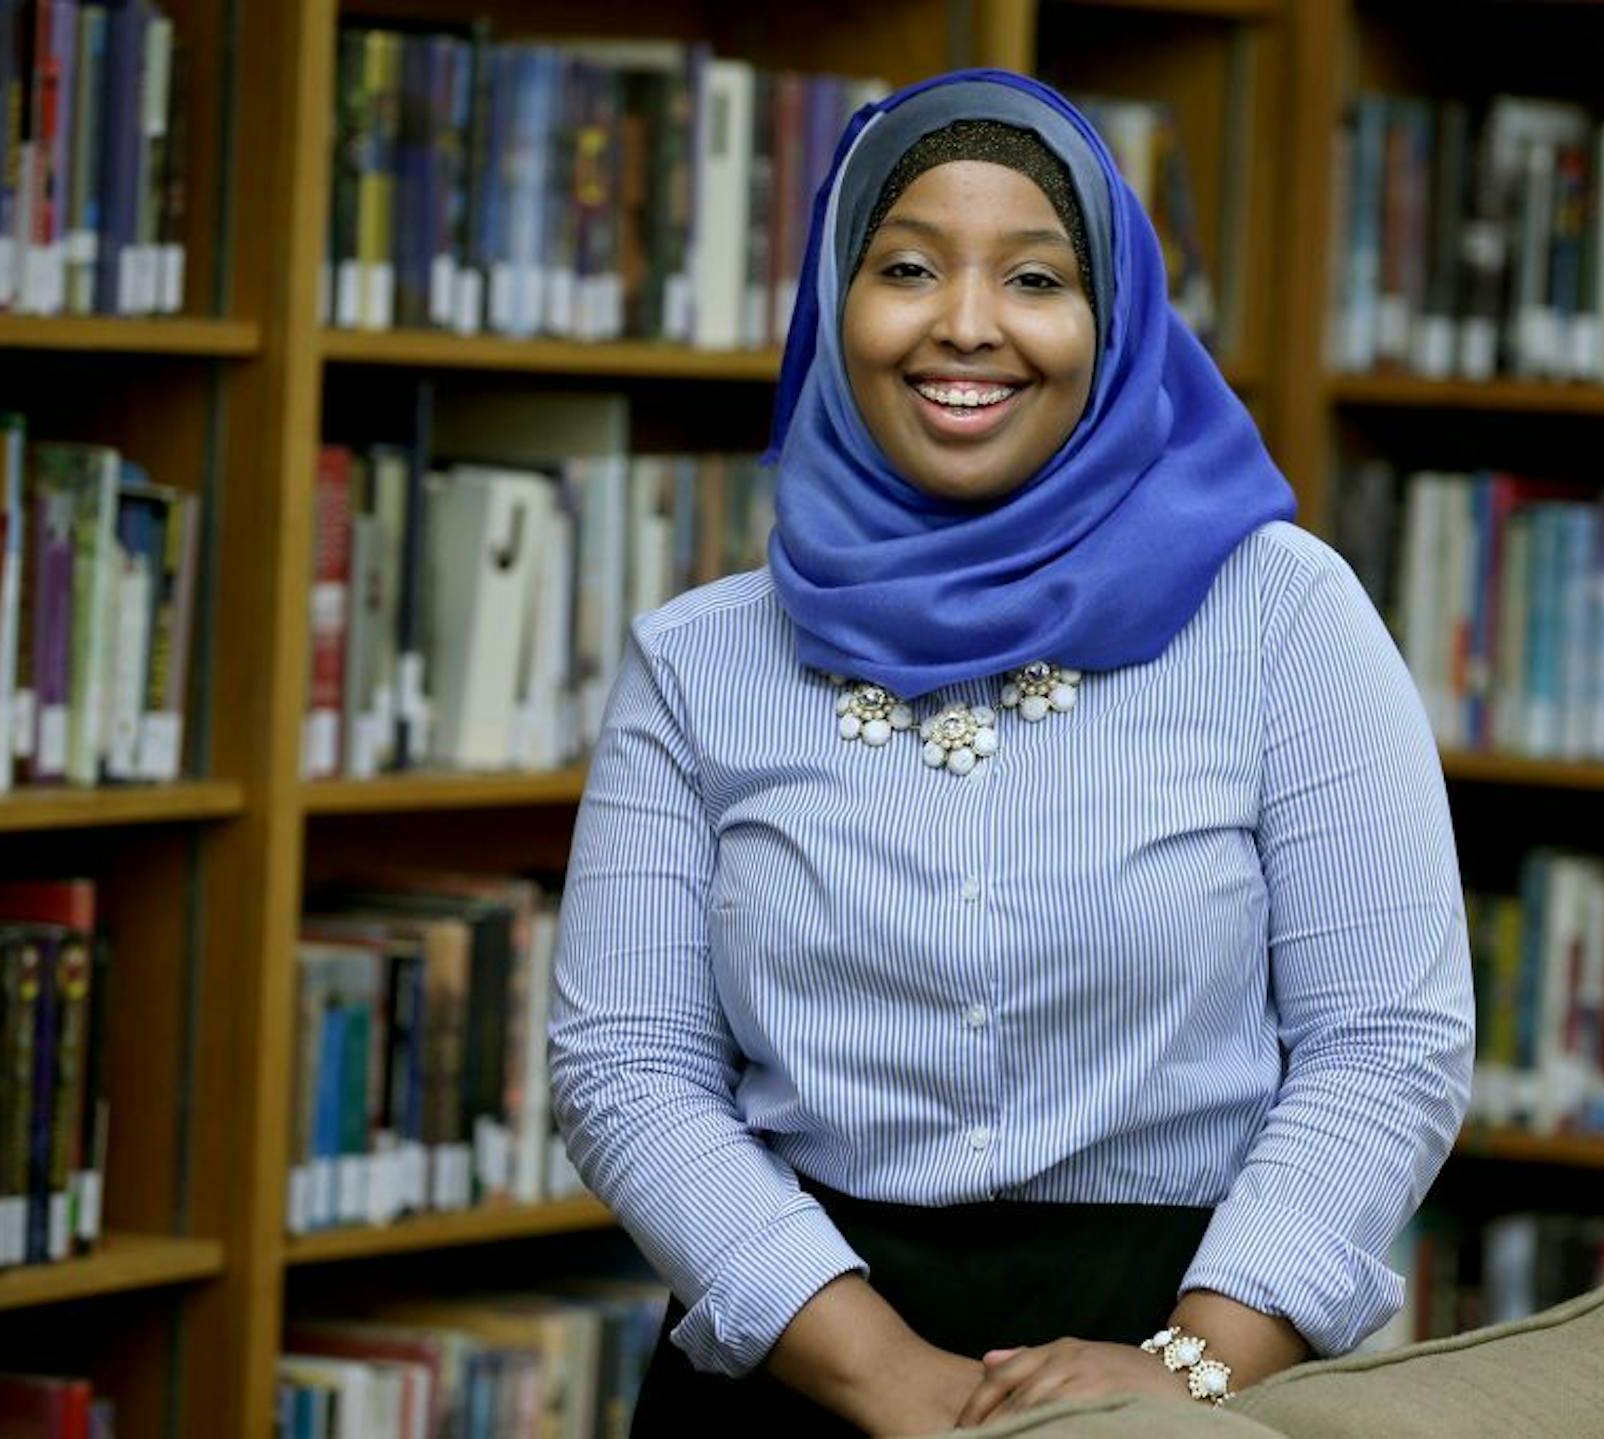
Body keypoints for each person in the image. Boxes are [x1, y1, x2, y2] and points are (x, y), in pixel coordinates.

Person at [549, 68, 1473, 1437]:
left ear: (1116, 320)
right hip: (796, 1379)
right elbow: (626, 1068)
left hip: (1186, 1369)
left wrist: (1191, 1367)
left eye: (1036, 279)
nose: (968, 324)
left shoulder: (1283, 616)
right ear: (835, 306)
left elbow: (1388, 1042)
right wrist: (887, 1376)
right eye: (908, 269)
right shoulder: (701, 662)